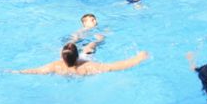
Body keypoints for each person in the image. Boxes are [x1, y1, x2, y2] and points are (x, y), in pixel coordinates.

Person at [10, 42, 148, 76]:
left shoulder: (56, 66)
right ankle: (99, 39)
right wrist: (139, 58)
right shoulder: (88, 66)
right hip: (84, 58)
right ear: (77, 56)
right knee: (91, 45)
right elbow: (116, 66)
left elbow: (35, 71)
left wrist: (16, 71)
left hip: (71, 62)